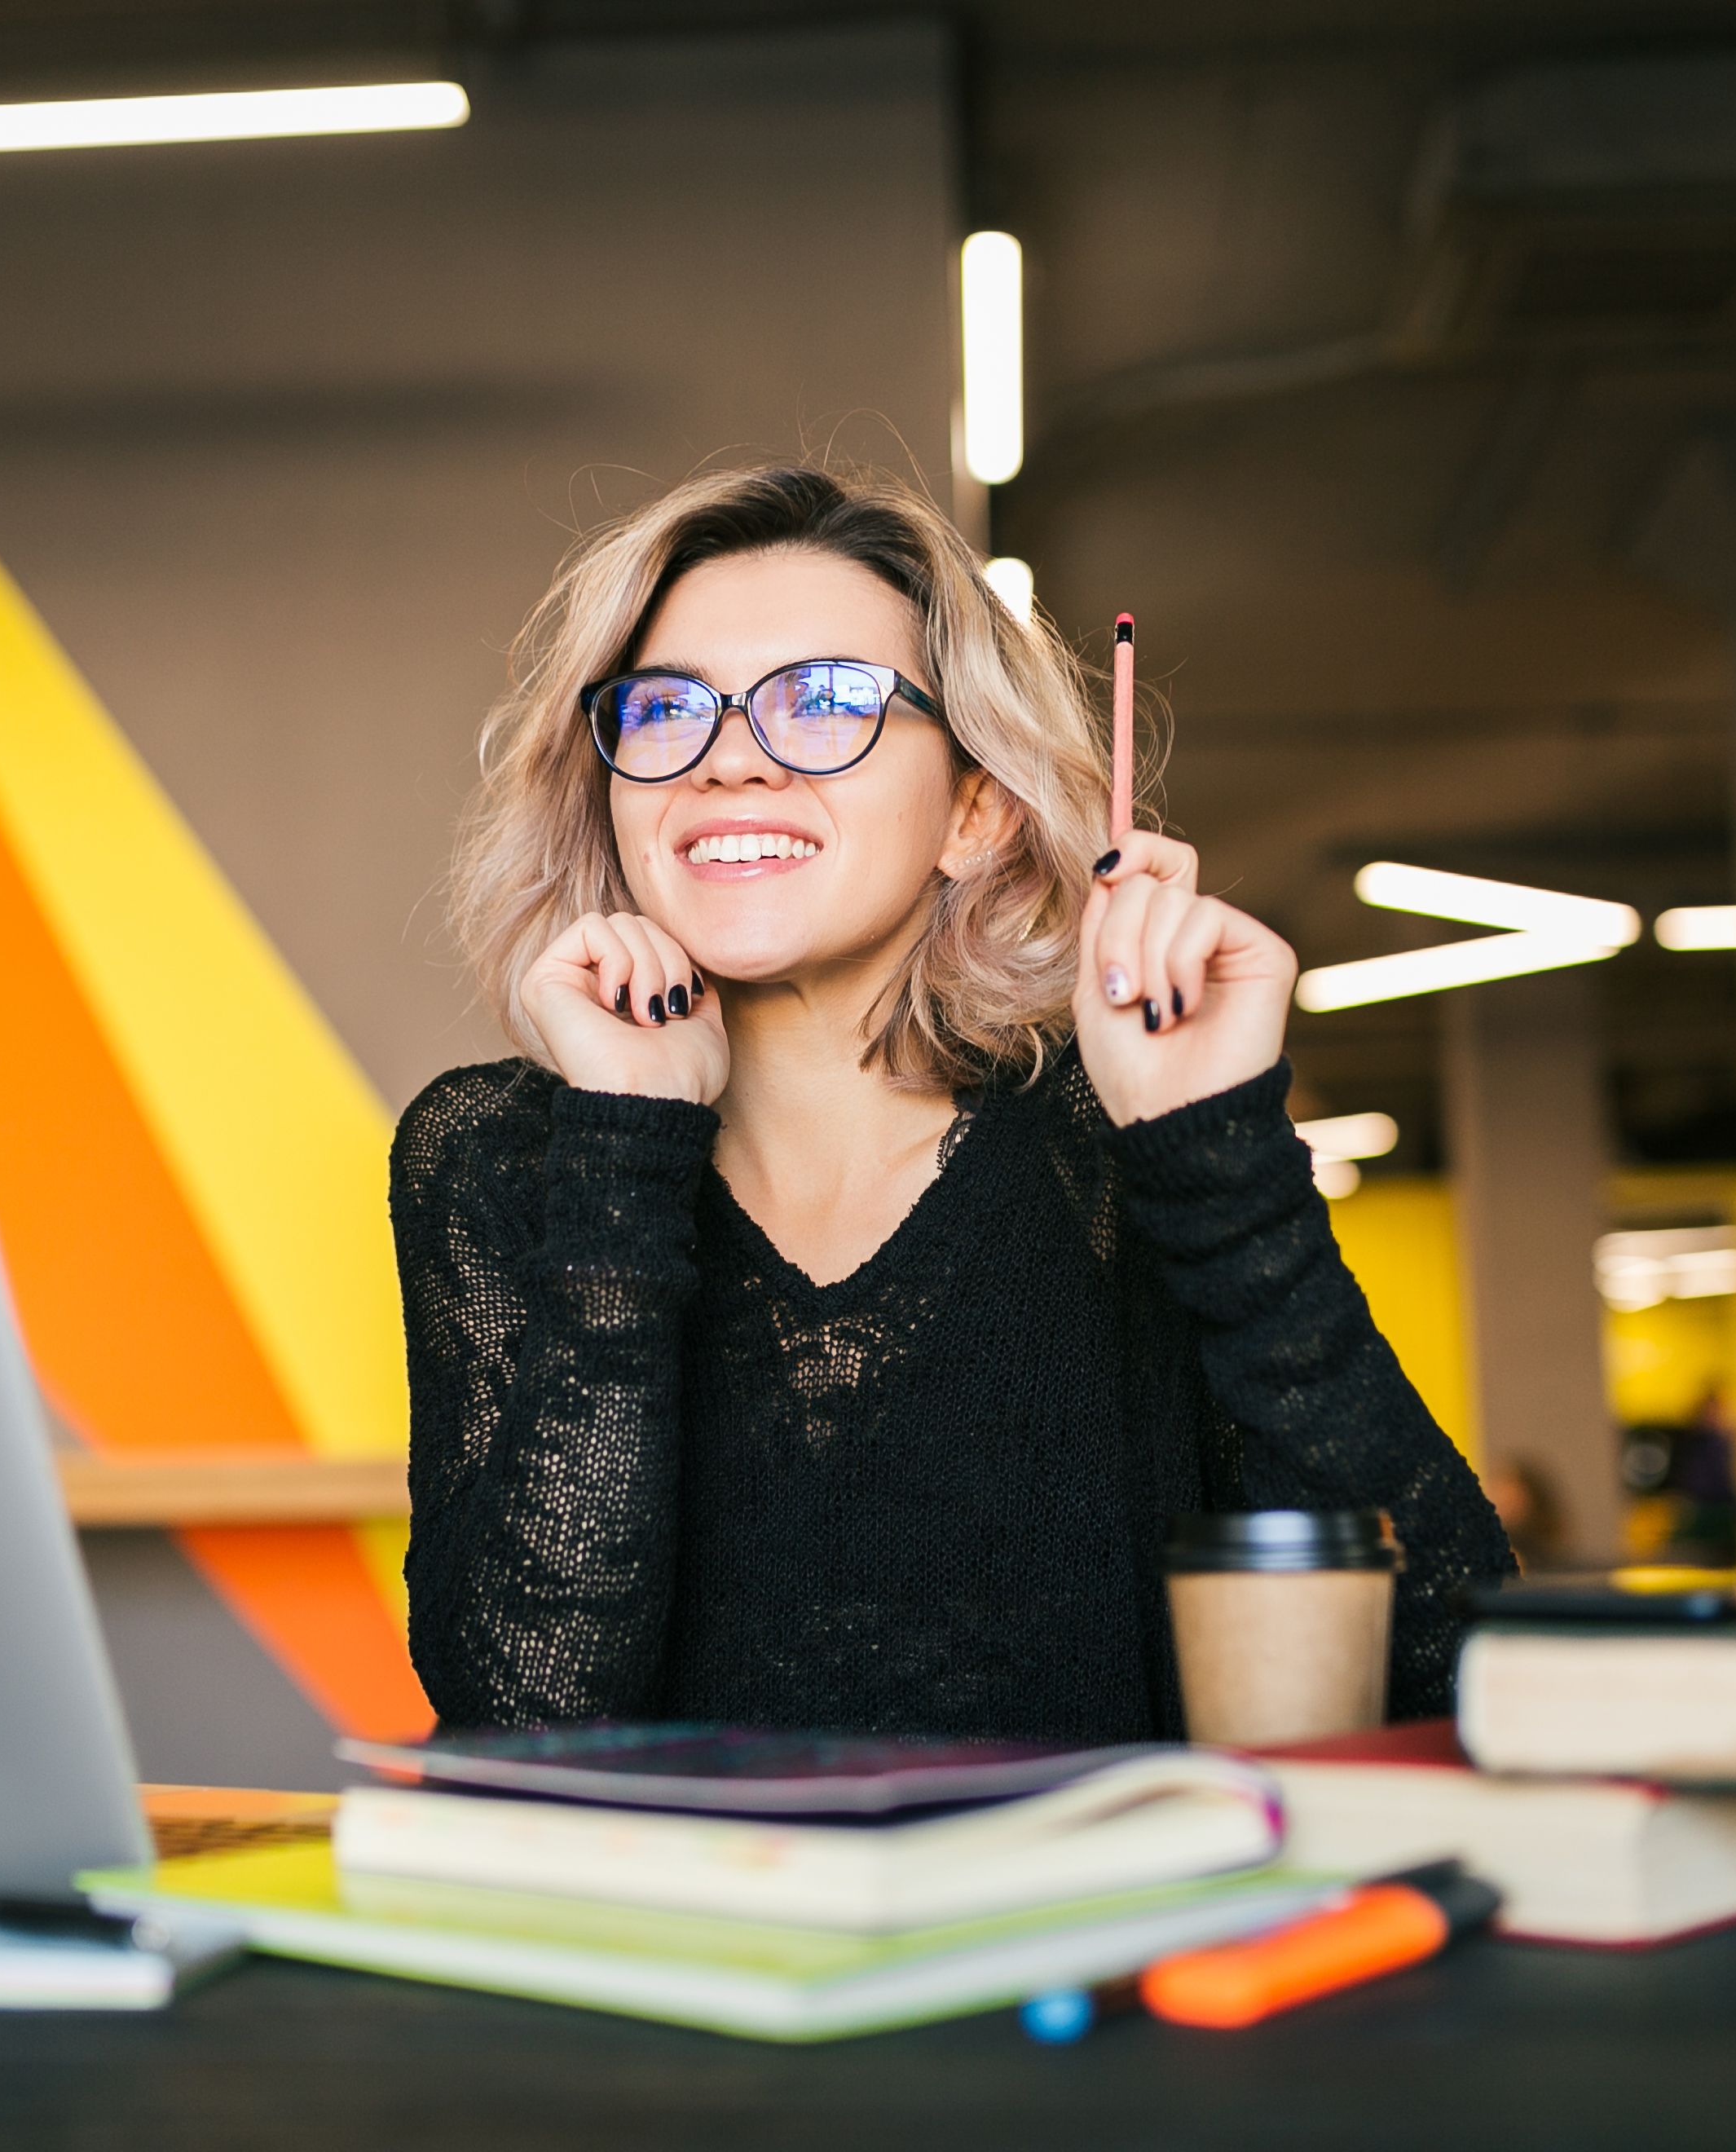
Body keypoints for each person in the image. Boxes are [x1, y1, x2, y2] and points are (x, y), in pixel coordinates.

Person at [390, 462, 1511, 1741]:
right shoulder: (498, 1157)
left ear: (973, 811)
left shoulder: (1111, 1148)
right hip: (681, 1932)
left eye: (825, 702)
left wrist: (1220, 1163)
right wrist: (627, 1151)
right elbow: (522, 1710)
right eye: (667, 709)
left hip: (1081, 1932)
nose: (729, 764)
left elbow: (1460, 1667)